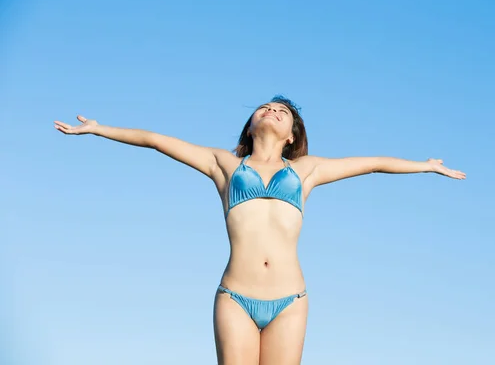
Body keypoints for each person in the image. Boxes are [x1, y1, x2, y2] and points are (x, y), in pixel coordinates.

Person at [54, 95, 466, 365]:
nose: (272, 110)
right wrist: (99, 128)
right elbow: (156, 140)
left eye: (282, 112)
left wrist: (425, 165)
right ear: (250, 126)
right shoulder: (225, 165)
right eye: (265, 108)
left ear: (291, 136)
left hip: (291, 300)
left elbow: (374, 162)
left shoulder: (306, 170)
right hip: (235, 298)